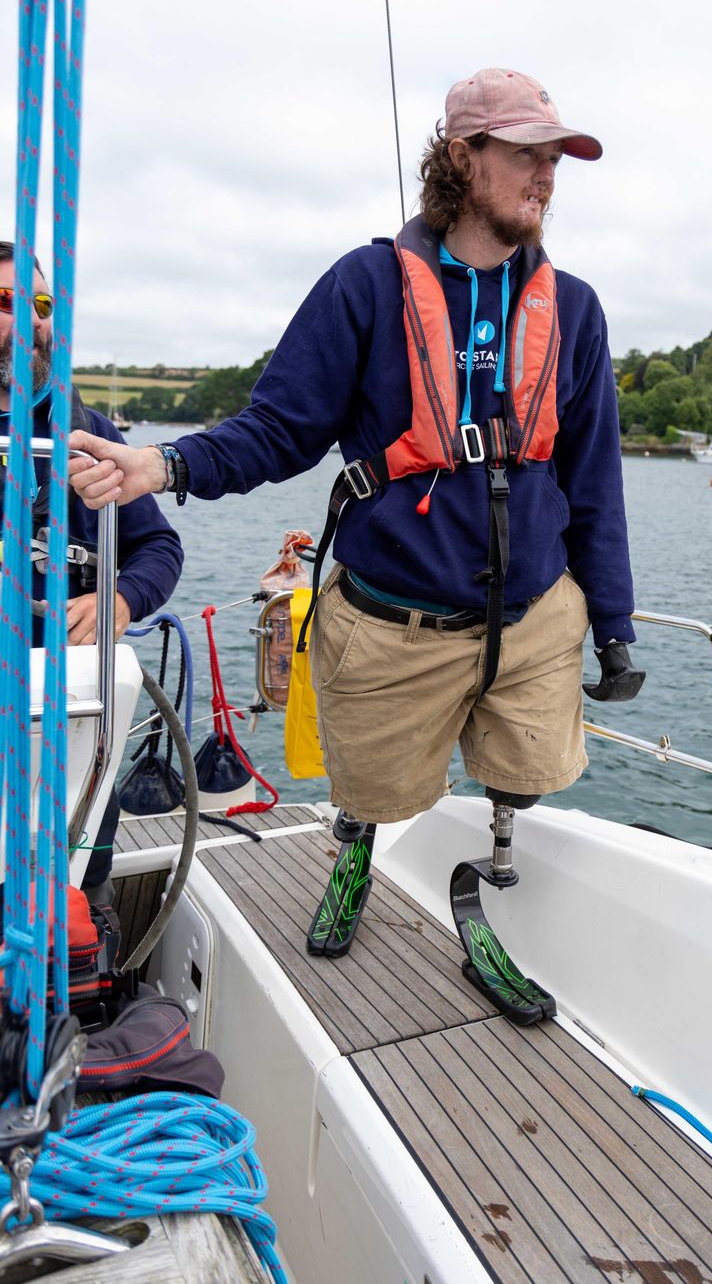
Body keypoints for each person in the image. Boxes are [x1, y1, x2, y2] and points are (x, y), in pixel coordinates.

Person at [67, 66, 642, 852]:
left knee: (532, 773)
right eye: (527, 153)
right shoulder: (366, 287)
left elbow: (595, 482)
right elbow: (277, 430)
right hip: (392, 625)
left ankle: (500, 854)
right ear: (465, 155)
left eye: (556, 159)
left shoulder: (574, 307)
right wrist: (161, 466)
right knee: (376, 794)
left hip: (535, 616)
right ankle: (357, 847)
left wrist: (612, 624)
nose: (547, 175)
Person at [1, 240, 184, 896]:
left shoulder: (90, 436)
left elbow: (160, 549)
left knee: (84, 886)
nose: (28, 319)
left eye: (39, 303)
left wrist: (122, 601)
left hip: (76, 720)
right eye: (5, 303)